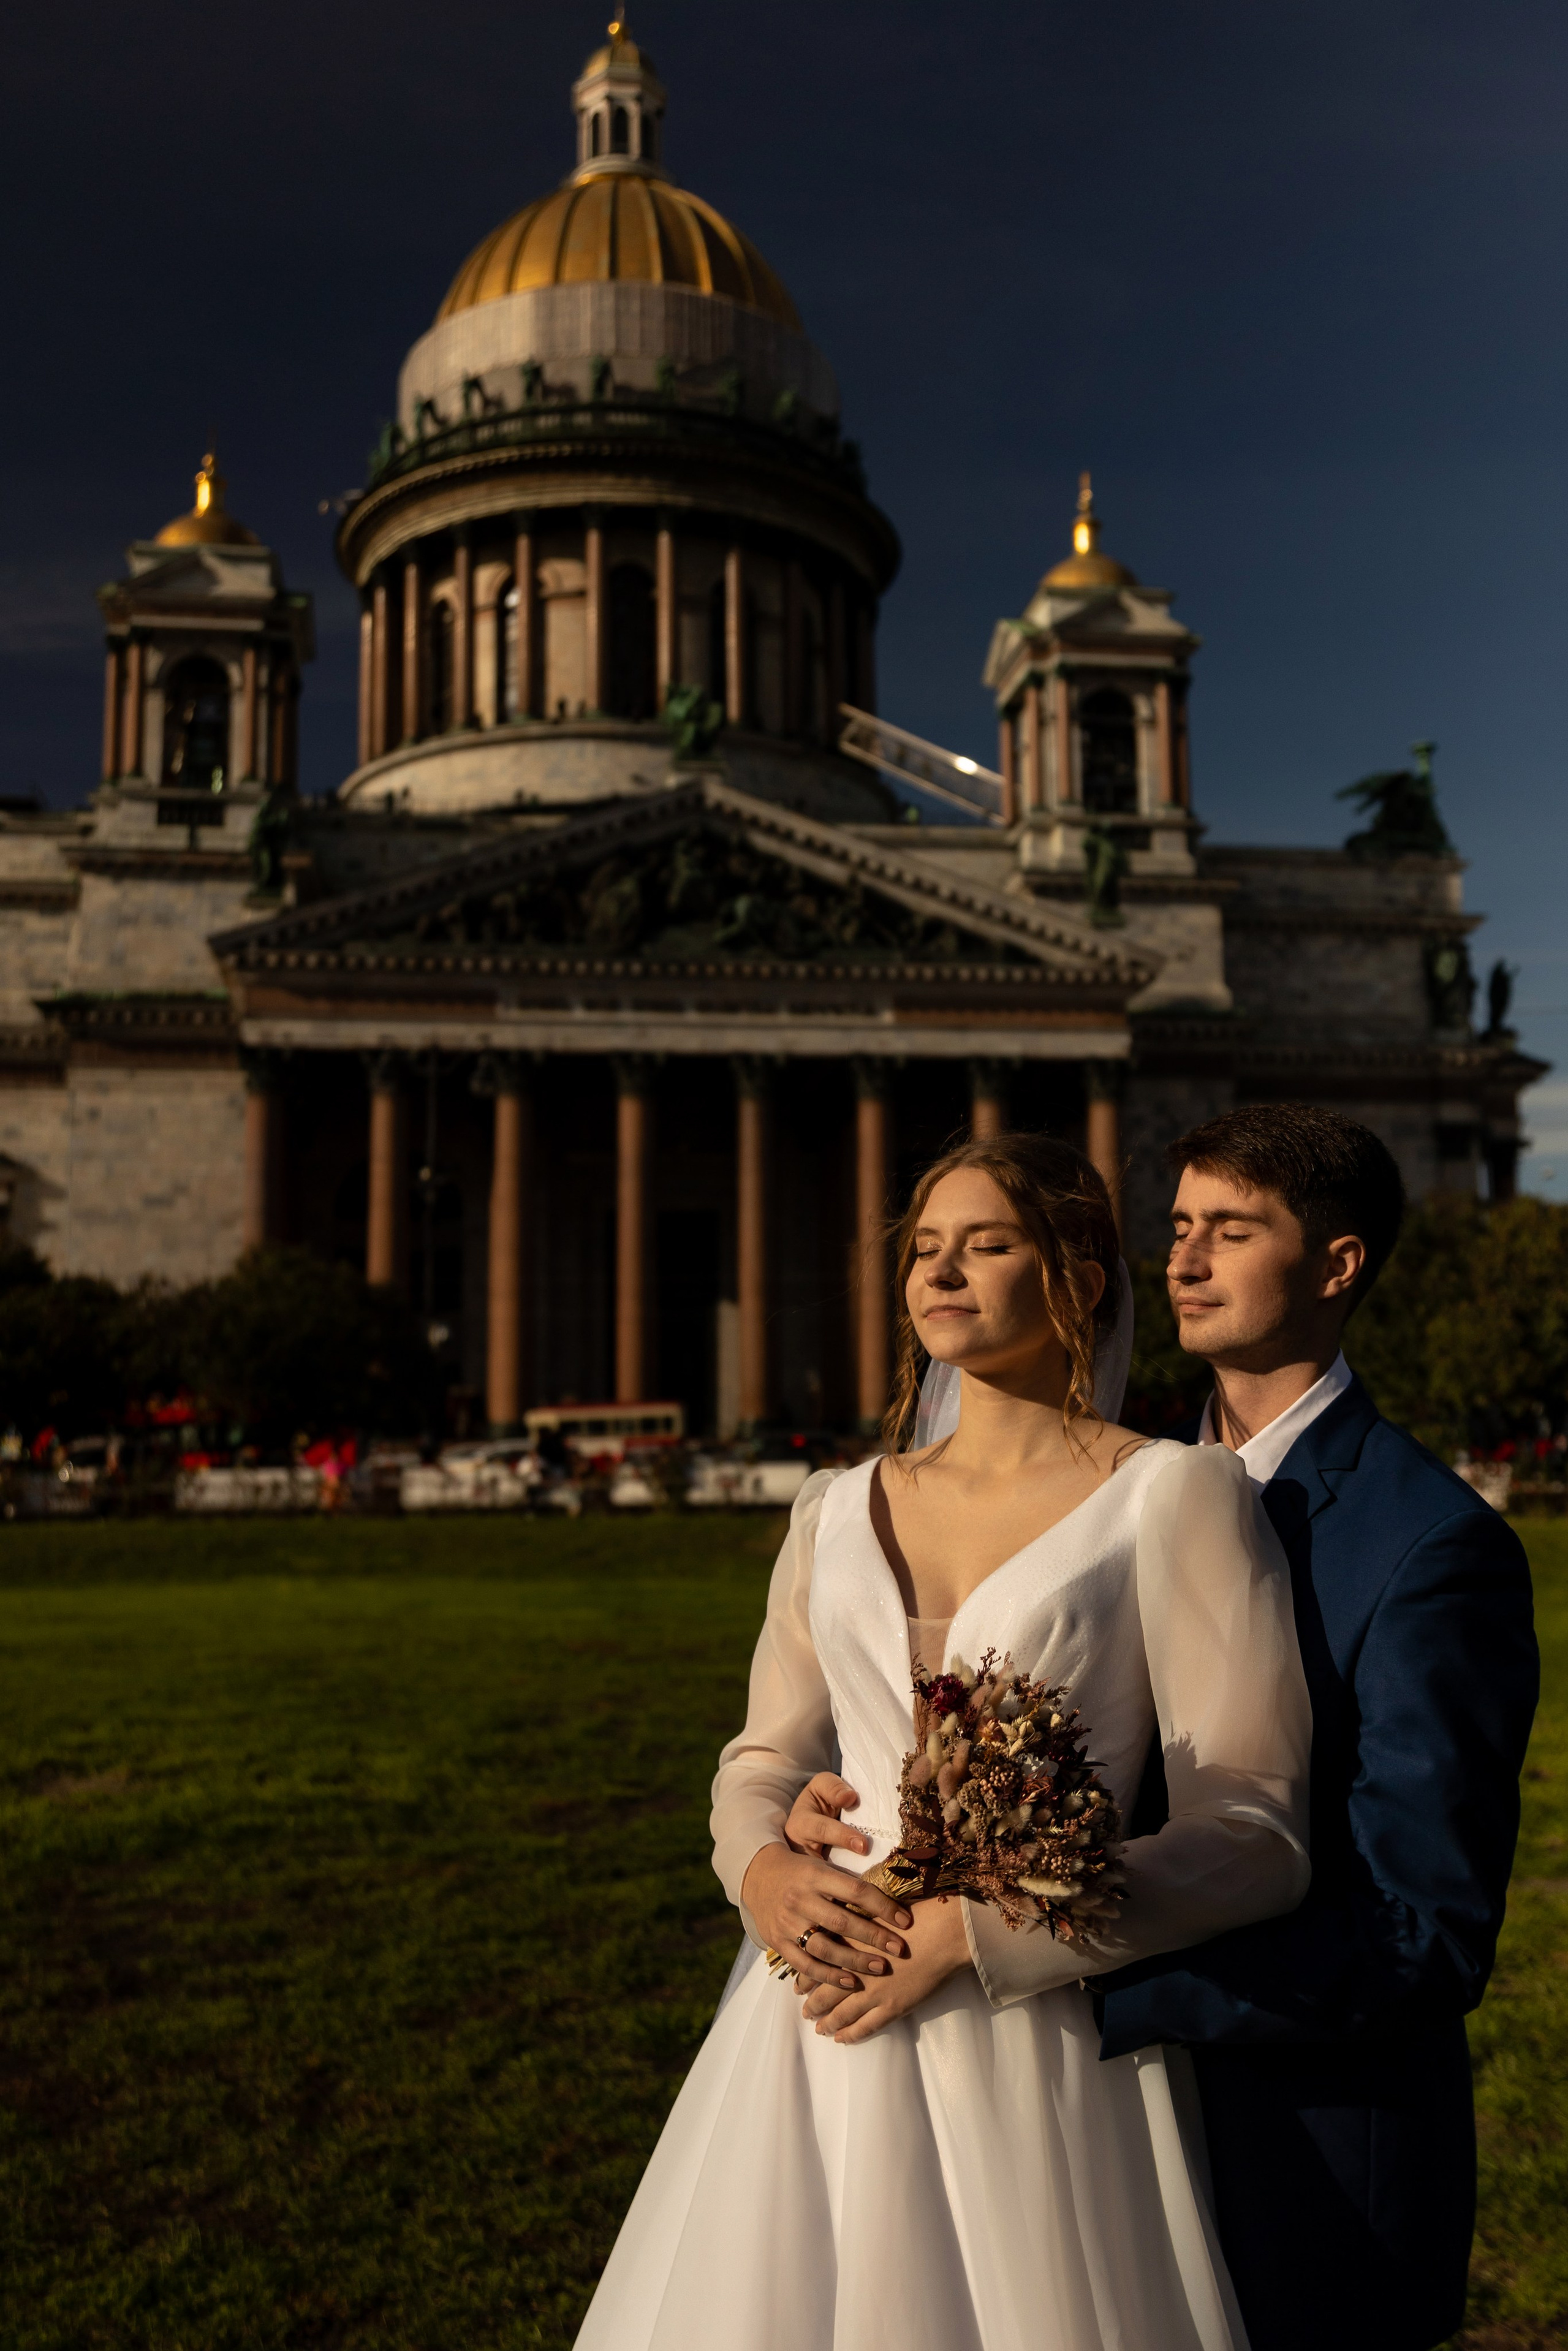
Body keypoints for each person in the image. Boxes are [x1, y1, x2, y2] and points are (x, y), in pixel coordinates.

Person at [575, 1134, 1312, 2351]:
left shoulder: (1174, 1494)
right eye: (924, 1248)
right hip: (812, 2014)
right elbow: (760, 1755)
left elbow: (1254, 1832)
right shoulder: (831, 1506)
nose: (943, 1272)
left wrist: (975, 1932)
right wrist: (757, 1865)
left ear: (1076, 1281)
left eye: (987, 1244)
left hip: (1036, 2029)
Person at [1096, 1103, 1539, 2351]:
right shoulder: (1101, 1491)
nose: (1180, 1259)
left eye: (1228, 1230)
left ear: (1335, 1264)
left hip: (1298, 2174)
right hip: (1078, 2155)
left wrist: (1084, 1980)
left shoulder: (1429, 1546)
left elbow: (1420, 1935)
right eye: (1178, 1225)